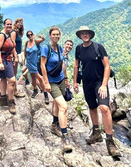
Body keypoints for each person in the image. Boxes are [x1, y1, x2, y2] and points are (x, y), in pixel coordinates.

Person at [73, 26, 120, 157]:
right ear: (80, 35)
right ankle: (96, 132)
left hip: (99, 82)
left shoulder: (98, 47)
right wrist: (75, 82)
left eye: (87, 33)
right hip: (86, 82)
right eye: (82, 33)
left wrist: (104, 85)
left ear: (90, 34)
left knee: (104, 108)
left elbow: (107, 66)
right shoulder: (78, 48)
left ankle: (110, 142)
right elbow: (76, 65)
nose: (85, 35)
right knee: (92, 107)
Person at [40, 26, 73, 153]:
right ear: (50, 35)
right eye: (53, 34)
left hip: (60, 80)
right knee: (63, 107)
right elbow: (43, 65)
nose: (56, 36)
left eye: (57, 34)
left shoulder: (59, 48)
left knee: (56, 103)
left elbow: (62, 64)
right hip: (52, 82)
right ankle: (65, 138)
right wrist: (46, 83)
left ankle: (54, 125)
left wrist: (66, 79)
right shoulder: (45, 48)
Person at [0, 18, 19, 114]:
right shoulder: (1, 35)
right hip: (4, 60)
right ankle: (11, 101)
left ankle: (3, 98)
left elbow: (12, 46)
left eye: (10, 24)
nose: (9, 26)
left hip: (8, 59)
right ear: (4, 25)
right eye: (7, 24)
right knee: (12, 80)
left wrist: (15, 56)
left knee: (4, 79)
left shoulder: (8, 35)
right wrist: (0, 63)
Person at [23, 30, 50, 104]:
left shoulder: (36, 41)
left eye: (31, 34)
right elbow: (25, 52)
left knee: (40, 78)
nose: (30, 36)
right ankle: (35, 90)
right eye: (28, 35)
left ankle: (45, 94)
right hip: (29, 62)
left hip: (36, 63)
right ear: (27, 36)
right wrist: (24, 61)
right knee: (33, 78)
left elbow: (43, 39)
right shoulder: (27, 43)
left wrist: (41, 37)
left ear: (33, 34)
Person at [11, 18, 25, 98]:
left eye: (21, 23)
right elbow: (13, 45)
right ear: (15, 23)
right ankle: (15, 91)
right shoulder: (14, 32)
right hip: (13, 55)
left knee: (14, 73)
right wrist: (15, 56)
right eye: (19, 22)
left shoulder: (19, 33)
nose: (20, 24)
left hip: (17, 54)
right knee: (13, 74)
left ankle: (13, 90)